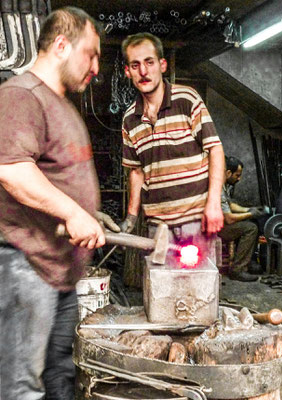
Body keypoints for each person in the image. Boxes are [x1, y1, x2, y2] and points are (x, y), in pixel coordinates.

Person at [0, 7, 118, 400]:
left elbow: (54, 176)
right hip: (25, 267)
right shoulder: (21, 94)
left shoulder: (61, 104)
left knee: (59, 379)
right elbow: (11, 170)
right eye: (91, 54)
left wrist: (90, 213)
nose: (97, 67)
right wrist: (72, 212)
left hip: (60, 273)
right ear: (62, 45)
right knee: (22, 387)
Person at [120, 32, 224, 260]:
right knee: (161, 290)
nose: (143, 72)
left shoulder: (187, 99)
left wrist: (214, 204)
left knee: (199, 292)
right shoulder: (129, 118)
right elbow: (136, 171)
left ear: (162, 65)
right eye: (135, 65)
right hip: (158, 226)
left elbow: (215, 149)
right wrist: (131, 216)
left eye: (149, 62)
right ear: (128, 72)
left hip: (196, 221)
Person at [218, 156, 266, 282]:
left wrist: (249, 210)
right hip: (214, 228)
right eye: (237, 175)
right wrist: (250, 214)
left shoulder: (225, 184)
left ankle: (248, 261)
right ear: (228, 173)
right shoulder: (218, 188)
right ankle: (238, 270)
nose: (239, 179)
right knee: (250, 228)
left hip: (221, 222)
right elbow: (228, 219)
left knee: (253, 222)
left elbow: (231, 205)